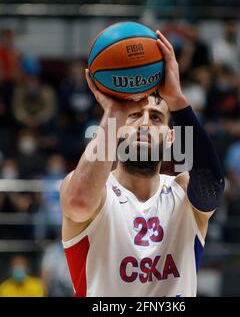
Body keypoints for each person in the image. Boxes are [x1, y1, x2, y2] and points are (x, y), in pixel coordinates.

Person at [60, 30, 225, 297]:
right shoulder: (96, 193)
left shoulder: (183, 190)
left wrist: (178, 101)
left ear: (171, 137)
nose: (145, 124)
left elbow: (212, 189)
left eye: (157, 118)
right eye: (134, 115)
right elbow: (79, 204)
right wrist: (114, 111)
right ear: (116, 129)